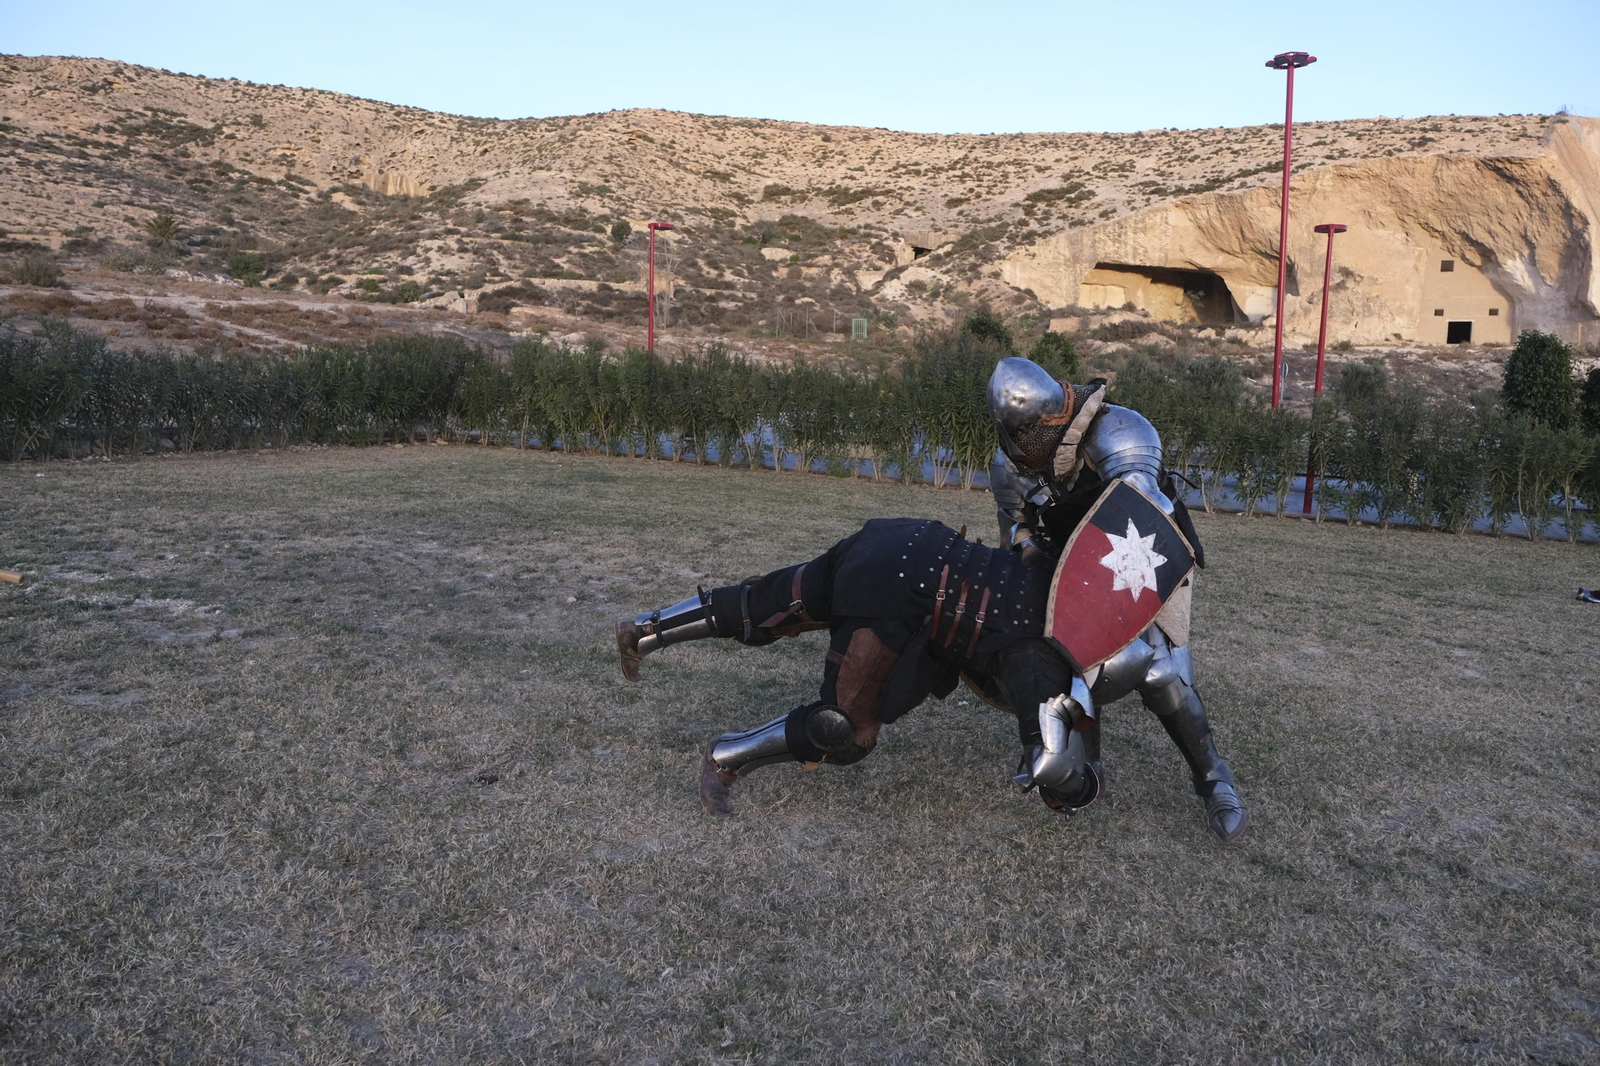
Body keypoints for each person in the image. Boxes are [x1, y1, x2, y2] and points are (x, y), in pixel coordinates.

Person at [984, 356, 1246, 840]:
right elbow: (1014, 527)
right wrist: (1030, 554)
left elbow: (1144, 513)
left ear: (1046, 421)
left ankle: (1214, 778)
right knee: (1067, 654)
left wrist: (1098, 593)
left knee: (1162, 672)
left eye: (1023, 433)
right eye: (1011, 434)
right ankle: (1089, 765)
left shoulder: (1120, 431)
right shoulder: (1011, 464)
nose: (1017, 445)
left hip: (1145, 559)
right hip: (1066, 564)